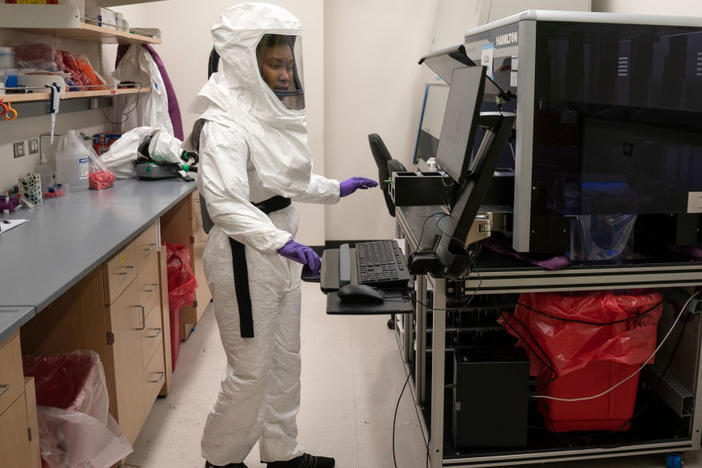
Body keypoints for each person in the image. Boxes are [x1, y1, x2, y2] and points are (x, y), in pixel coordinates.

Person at [189, 3, 378, 468]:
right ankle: (221, 459)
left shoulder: (263, 114)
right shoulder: (224, 123)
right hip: (243, 254)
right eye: (275, 63)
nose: (285, 74)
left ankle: (282, 453)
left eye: (288, 63)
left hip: (276, 247)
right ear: (242, 61)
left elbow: (283, 181)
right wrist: (281, 243)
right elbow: (227, 204)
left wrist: (336, 188)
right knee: (251, 370)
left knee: (284, 360)